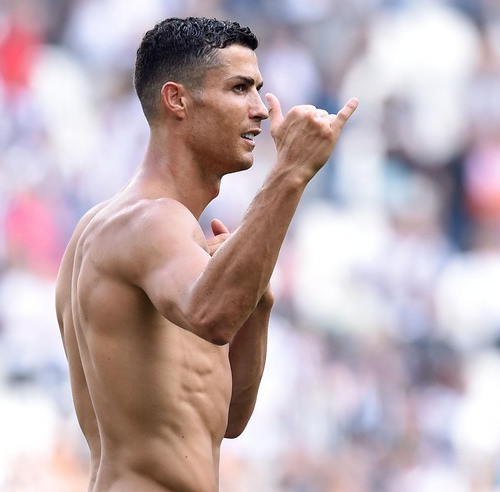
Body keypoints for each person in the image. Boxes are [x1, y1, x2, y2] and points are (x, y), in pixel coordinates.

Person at [54, 16, 358, 492]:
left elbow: (226, 418)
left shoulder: (162, 236)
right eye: (240, 89)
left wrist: (256, 301)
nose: (259, 109)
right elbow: (213, 315)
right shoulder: (149, 222)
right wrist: (291, 172)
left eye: (259, 89)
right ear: (177, 99)